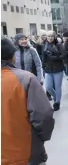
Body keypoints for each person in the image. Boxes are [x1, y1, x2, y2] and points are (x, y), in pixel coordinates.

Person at [1, 36, 55, 165]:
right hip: (24, 153)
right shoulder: (27, 79)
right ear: (13, 56)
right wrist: (41, 138)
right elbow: (44, 115)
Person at [42, 30, 65, 111]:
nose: (50, 38)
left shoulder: (59, 45)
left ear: (54, 36)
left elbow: (63, 56)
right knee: (48, 87)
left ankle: (57, 102)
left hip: (58, 69)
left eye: (52, 36)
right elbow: (43, 57)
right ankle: (56, 98)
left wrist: (53, 57)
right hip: (48, 70)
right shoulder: (44, 45)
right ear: (46, 37)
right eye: (48, 36)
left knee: (58, 87)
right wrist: (43, 66)